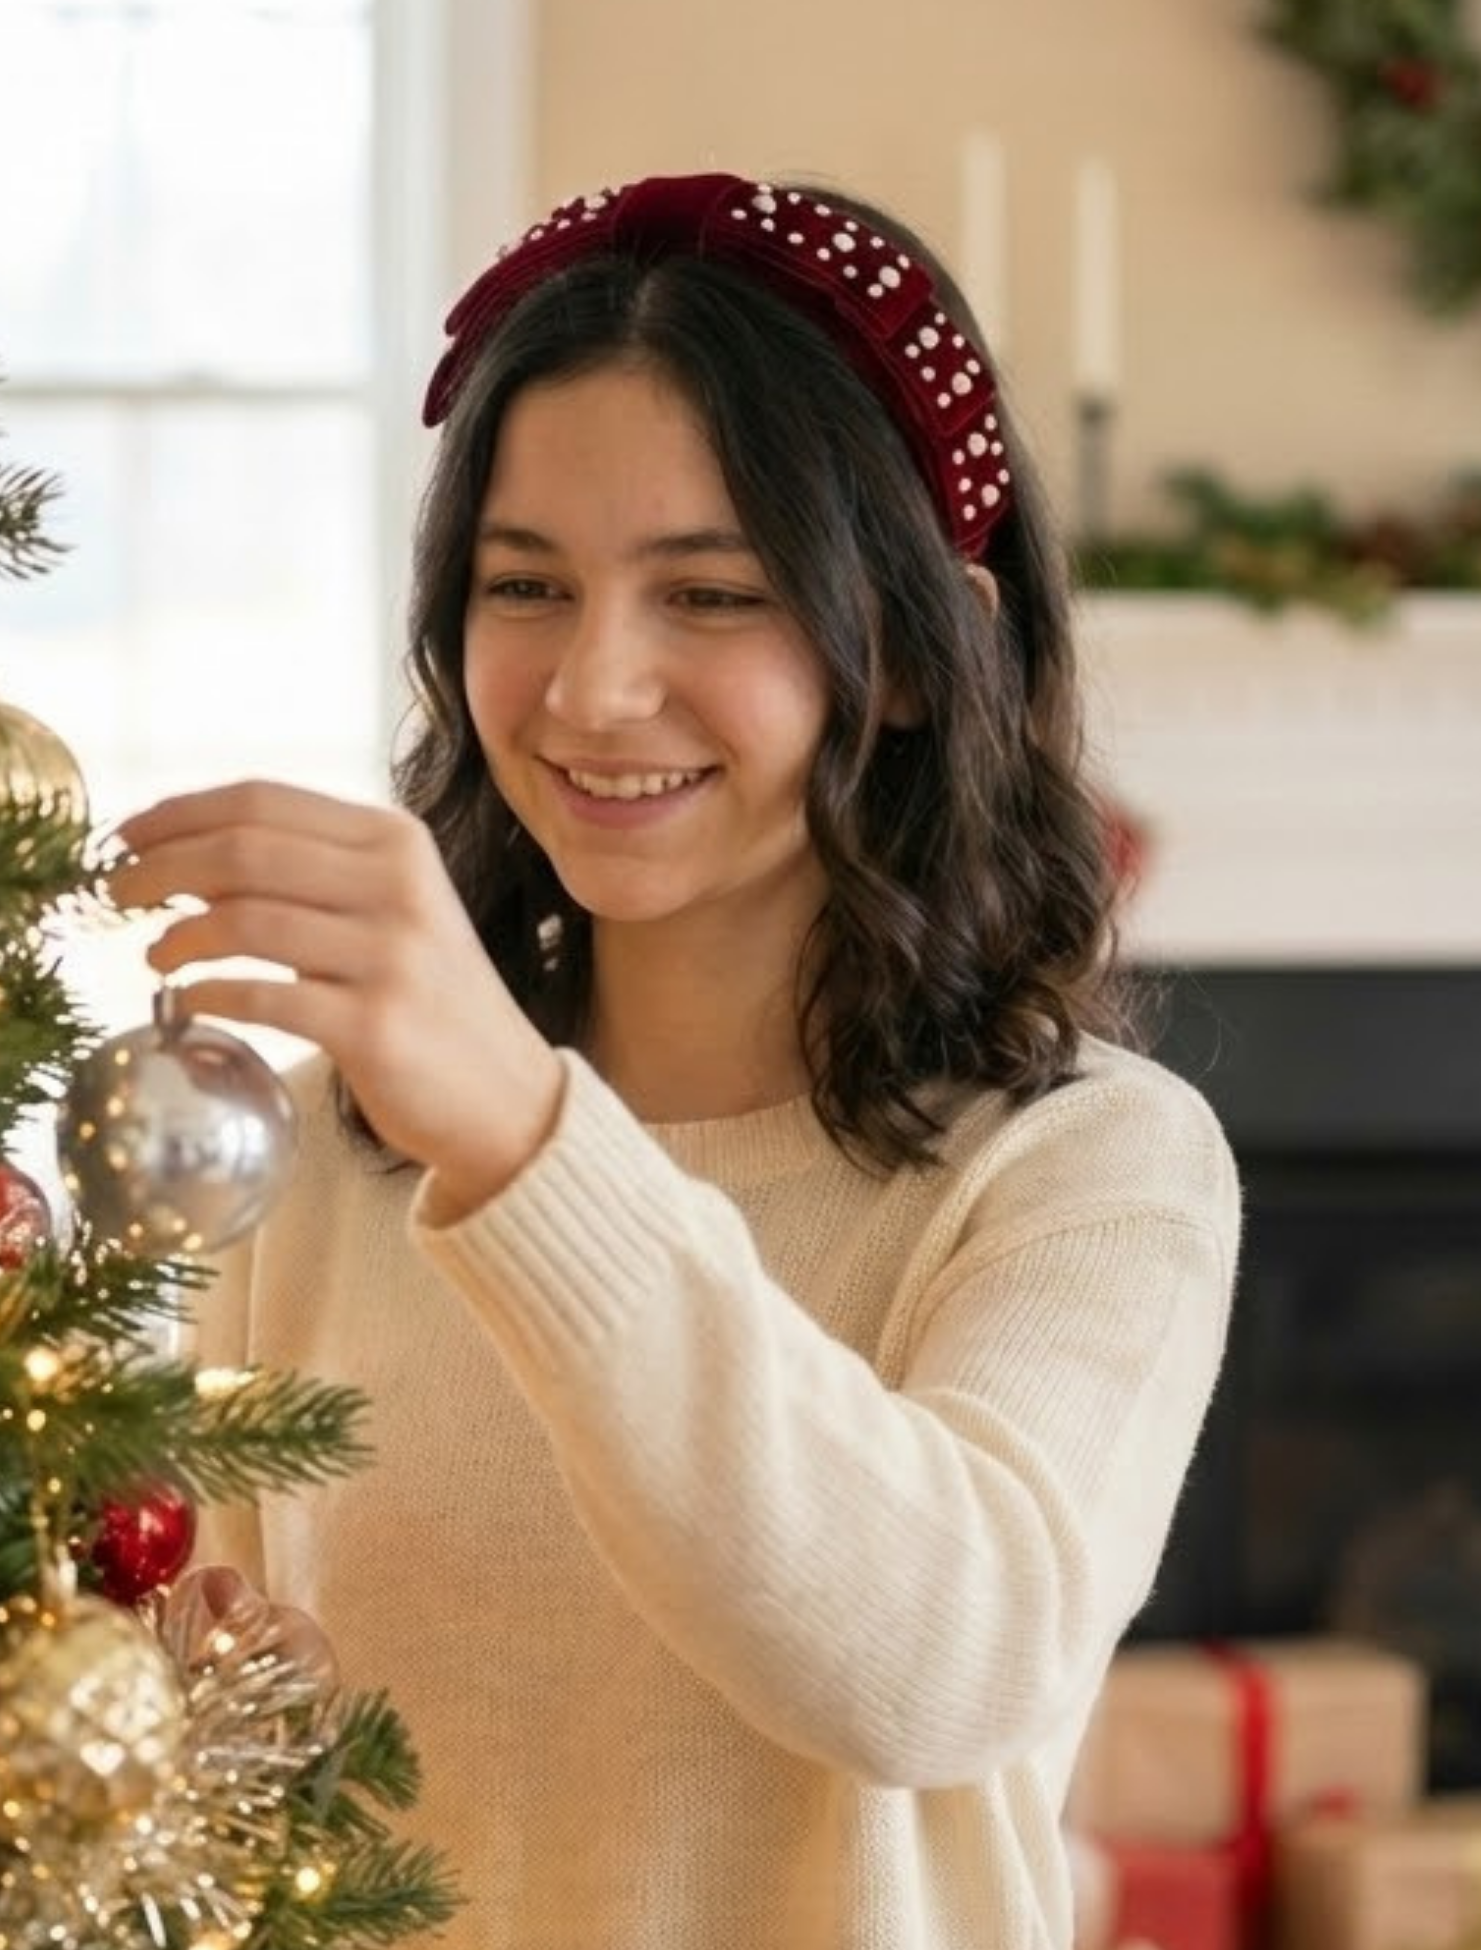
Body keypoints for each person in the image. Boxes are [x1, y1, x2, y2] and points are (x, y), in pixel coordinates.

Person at [108, 171, 1240, 1950]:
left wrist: (522, 1143)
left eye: (709, 594)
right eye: (525, 585)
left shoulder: (1092, 1168)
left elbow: (942, 1672)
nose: (590, 689)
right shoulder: (321, 1146)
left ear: (916, 655)